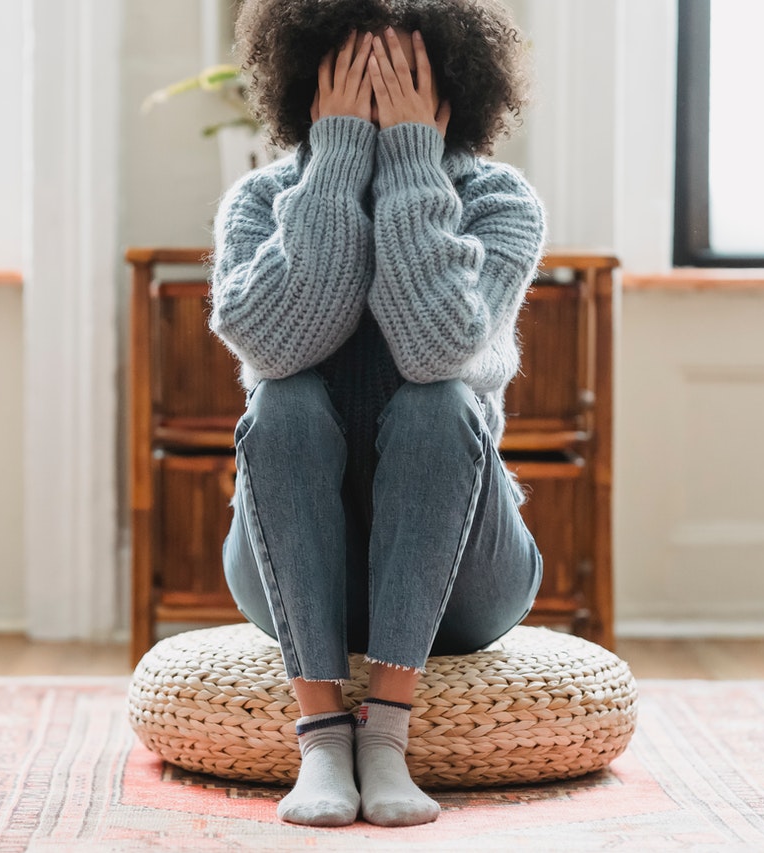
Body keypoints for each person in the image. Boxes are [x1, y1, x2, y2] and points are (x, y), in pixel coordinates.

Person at [209, 0, 545, 828]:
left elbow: (437, 350)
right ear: (309, 80)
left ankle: (386, 733)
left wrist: (411, 165)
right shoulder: (260, 201)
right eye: (355, 70)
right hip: (290, 569)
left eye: (402, 75)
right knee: (282, 400)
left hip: (466, 577)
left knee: (437, 401)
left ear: (451, 85)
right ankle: (323, 734)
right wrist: (337, 165)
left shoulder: (499, 201)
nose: (377, 88)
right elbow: (278, 345)